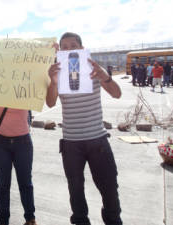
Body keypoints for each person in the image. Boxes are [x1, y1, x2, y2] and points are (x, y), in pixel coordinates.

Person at [46, 32, 122, 225]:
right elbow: (50, 102)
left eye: (73, 45)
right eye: (64, 46)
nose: (69, 49)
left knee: (110, 188)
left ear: (81, 48)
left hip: (98, 140)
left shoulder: (93, 69)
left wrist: (104, 77)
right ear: (60, 50)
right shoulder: (57, 73)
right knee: (76, 191)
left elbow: (117, 94)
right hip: (71, 143)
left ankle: (113, 220)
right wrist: (53, 82)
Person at [0, 107, 38, 225]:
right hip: (0, 141)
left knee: (26, 183)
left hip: (23, 141)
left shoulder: (27, 87)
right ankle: (3, 221)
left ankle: (30, 219)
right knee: (2, 185)